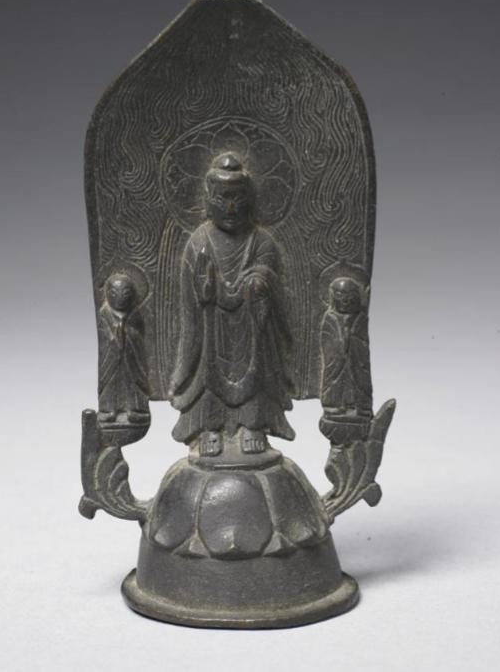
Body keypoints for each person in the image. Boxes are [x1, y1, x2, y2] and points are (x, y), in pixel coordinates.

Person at [169, 152, 294, 455]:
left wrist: (258, 284)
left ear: (250, 199)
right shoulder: (199, 242)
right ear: (208, 199)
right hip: (210, 329)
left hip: (252, 331)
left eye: (238, 198)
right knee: (207, 367)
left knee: (259, 362)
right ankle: (209, 427)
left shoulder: (261, 241)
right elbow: (188, 307)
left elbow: (272, 284)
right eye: (222, 198)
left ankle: (253, 424)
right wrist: (204, 294)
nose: (231, 207)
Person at [97, 273, 150, 425]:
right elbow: (104, 337)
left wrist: (128, 334)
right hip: (112, 359)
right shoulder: (104, 314)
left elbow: (139, 335)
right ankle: (109, 410)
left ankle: (136, 409)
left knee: (132, 381)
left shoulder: (135, 314)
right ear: (108, 294)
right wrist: (115, 336)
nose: (120, 298)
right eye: (114, 293)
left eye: (125, 293)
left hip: (131, 358)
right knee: (111, 381)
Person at [320, 276, 373, 422]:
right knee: (334, 377)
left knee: (359, 376)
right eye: (340, 295)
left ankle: (361, 408)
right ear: (333, 297)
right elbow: (329, 343)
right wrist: (342, 340)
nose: (345, 300)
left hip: (356, 361)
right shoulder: (330, 318)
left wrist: (352, 336)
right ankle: (333, 406)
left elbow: (361, 343)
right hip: (336, 362)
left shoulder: (360, 318)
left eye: (350, 295)